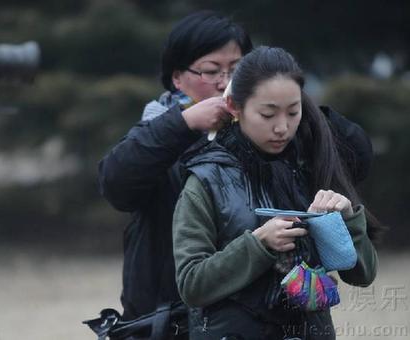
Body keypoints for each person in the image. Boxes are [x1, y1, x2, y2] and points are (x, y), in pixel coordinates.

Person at [98, 9, 373, 329]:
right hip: (169, 315)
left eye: (237, 68)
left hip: (276, 318)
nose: (225, 81)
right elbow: (116, 185)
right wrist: (184, 123)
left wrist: (288, 102)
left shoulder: (280, 136)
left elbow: (358, 157)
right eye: (211, 70)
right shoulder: (159, 128)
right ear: (177, 78)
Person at [172, 46, 380, 340]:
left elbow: (362, 275)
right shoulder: (205, 180)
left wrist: (347, 220)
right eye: (267, 114)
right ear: (234, 106)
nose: (282, 127)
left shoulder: (310, 165)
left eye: (293, 112)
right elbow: (192, 285)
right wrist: (259, 244)